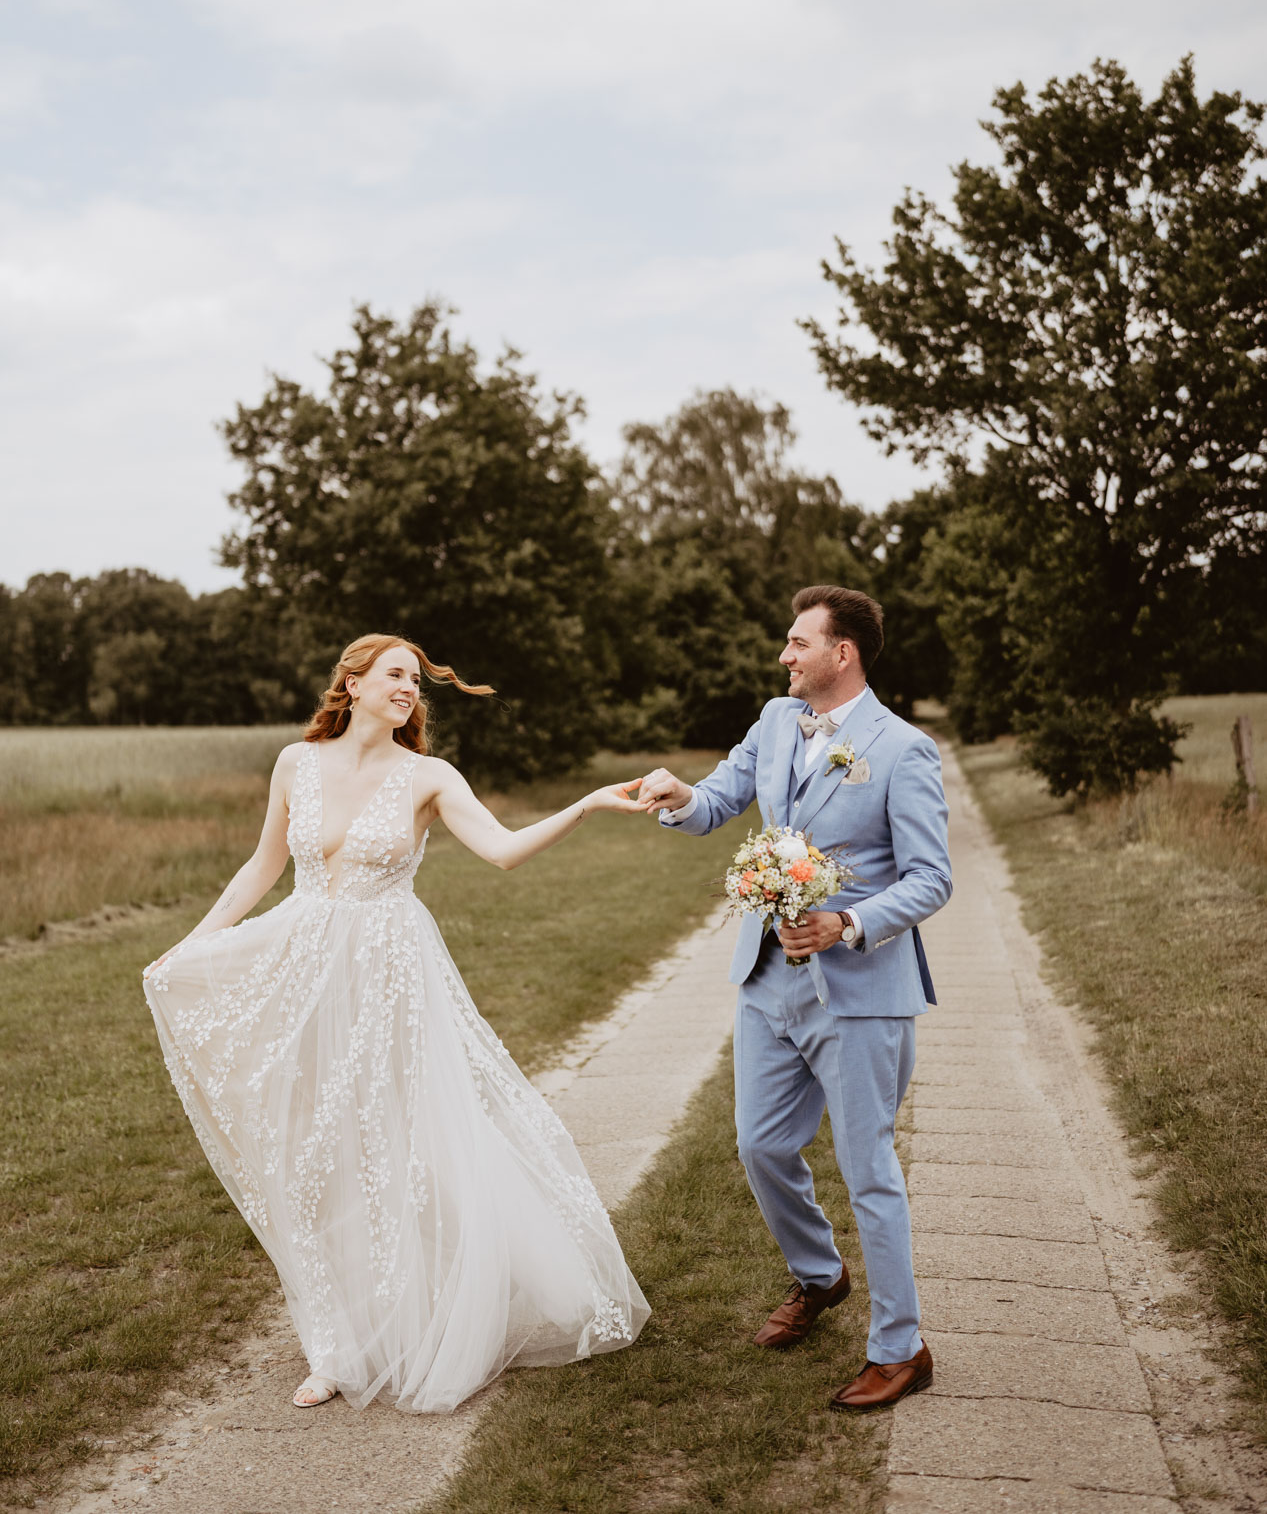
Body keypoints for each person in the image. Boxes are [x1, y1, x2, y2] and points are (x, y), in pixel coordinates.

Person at [144, 633, 649, 1415]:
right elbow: (261, 868)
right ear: (351, 682)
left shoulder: (429, 777)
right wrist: (188, 947)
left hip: (390, 977)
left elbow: (503, 851)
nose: (409, 688)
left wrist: (584, 803)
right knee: (315, 1157)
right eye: (394, 674)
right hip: (304, 969)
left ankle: (430, 1315)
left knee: (402, 1151)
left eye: (416, 679)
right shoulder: (295, 764)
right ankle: (335, 1348)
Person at [636, 585, 950, 1411]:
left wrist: (847, 920)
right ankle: (819, 1275)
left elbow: (930, 879)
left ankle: (901, 1347)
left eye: (796, 643)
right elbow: (718, 801)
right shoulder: (777, 721)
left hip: (860, 993)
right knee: (760, 1145)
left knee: (867, 1168)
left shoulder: (903, 748)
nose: (784, 656)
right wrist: (677, 798)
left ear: (839, 653)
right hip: (766, 979)